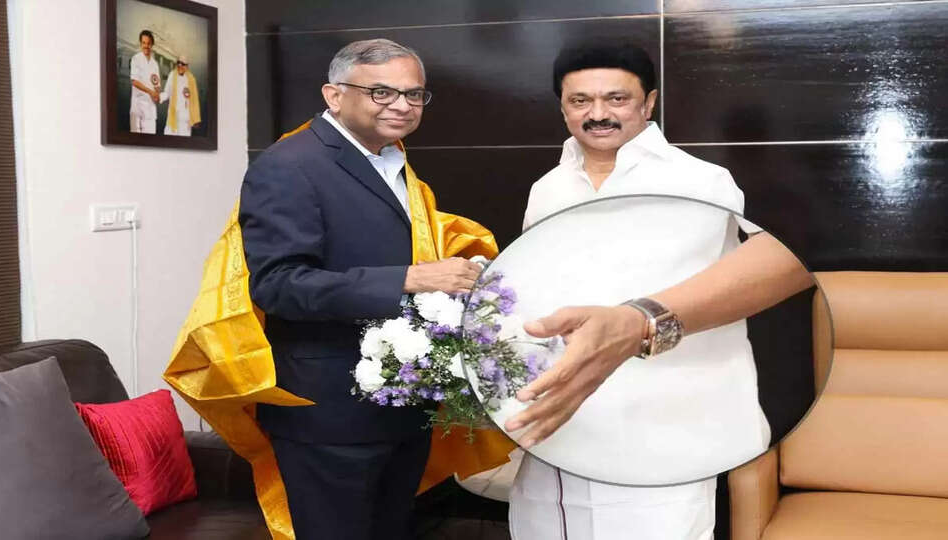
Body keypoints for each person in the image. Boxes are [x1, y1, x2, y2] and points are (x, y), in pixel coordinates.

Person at [503, 42, 814, 540]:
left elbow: (794, 259)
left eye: (616, 99)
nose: (597, 114)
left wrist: (641, 320)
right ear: (562, 107)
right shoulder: (547, 188)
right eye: (580, 101)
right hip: (561, 427)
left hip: (667, 430)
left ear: (648, 103)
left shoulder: (705, 179)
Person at [238, 39, 484, 540]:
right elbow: (279, 285)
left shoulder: (392, 160)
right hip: (329, 411)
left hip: (401, 401)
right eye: (381, 92)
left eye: (414, 95)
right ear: (334, 95)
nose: (402, 105)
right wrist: (409, 279)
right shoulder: (289, 164)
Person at [160, 54, 201, 136]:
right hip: (173, 116)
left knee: (183, 142)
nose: (180, 65)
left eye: (183, 64)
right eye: (178, 62)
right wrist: (159, 97)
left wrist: (196, 119)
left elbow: (194, 100)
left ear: (187, 66)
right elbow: (167, 93)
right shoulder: (172, 75)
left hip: (185, 119)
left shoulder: (191, 79)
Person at [129, 30, 160, 134]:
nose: (146, 46)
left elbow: (157, 84)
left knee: (151, 140)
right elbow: (134, 81)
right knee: (135, 141)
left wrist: (157, 94)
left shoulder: (155, 64)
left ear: (152, 45)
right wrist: (150, 92)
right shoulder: (136, 59)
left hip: (150, 109)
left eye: (149, 43)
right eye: (144, 43)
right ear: (140, 43)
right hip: (137, 107)